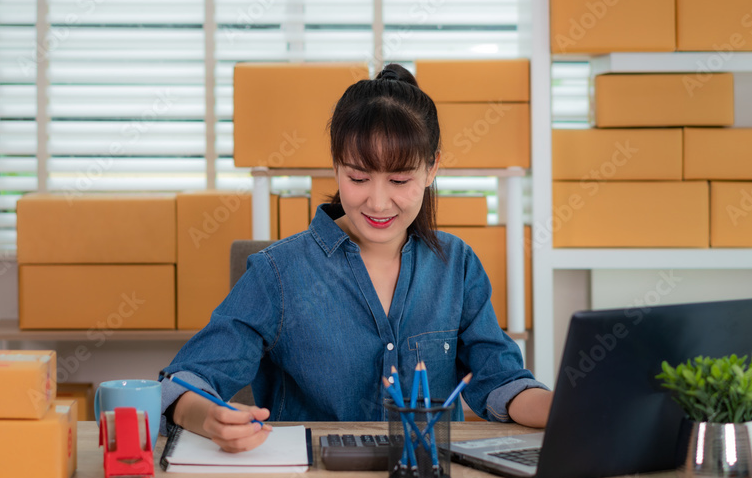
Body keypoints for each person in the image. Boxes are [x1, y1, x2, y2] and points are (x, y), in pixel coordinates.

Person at [157, 63, 553, 452]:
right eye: (358, 178)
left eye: (400, 180)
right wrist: (207, 418)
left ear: (431, 168)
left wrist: (562, 408)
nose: (378, 202)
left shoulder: (457, 266)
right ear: (336, 167)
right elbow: (186, 381)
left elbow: (501, 379)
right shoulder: (279, 272)